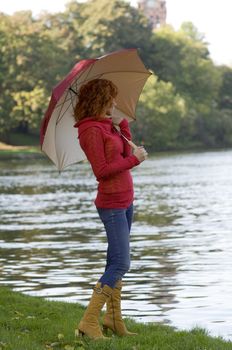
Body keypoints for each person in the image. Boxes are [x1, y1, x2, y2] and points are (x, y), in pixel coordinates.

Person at [73, 78, 148, 340]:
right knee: (120, 263)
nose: (115, 102)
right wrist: (134, 161)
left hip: (126, 200)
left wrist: (121, 123)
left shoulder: (108, 125)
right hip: (112, 204)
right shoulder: (90, 130)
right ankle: (88, 322)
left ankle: (113, 320)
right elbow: (102, 171)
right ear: (100, 99)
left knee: (115, 262)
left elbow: (123, 147)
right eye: (111, 98)